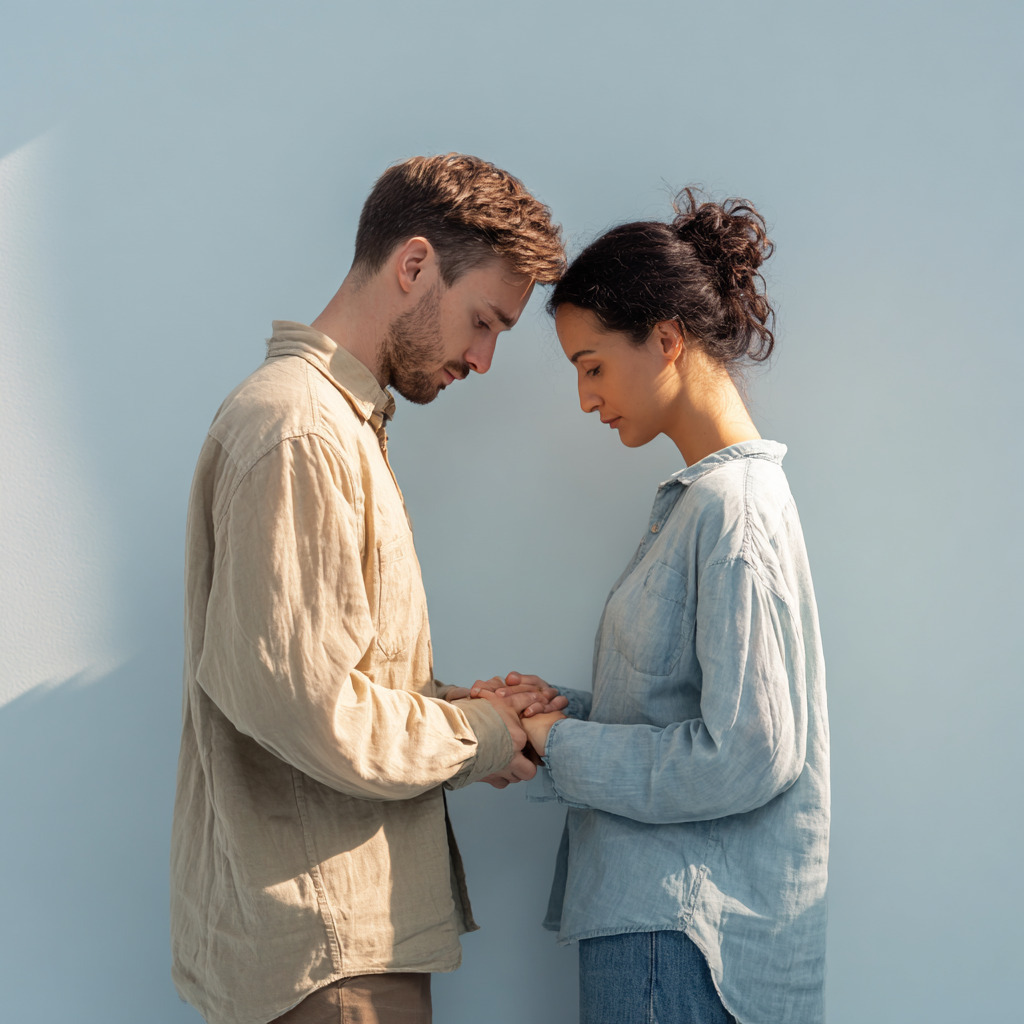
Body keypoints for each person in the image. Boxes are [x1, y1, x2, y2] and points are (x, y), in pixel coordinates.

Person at [170, 153, 566, 1024]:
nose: (486, 358)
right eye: (483, 321)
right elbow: (310, 709)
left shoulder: (335, 425)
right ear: (415, 265)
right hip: (328, 958)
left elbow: (326, 679)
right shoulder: (301, 431)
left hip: (336, 945)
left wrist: (467, 711)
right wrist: (479, 735)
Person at [477, 189, 830, 1023]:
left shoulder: (729, 508)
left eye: (591, 365)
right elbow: (682, 707)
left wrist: (557, 744)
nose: (585, 398)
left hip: (675, 942)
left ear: (666, 341)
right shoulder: (702, 504)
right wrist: (561, 712)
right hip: (660, 935)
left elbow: (747, 753)